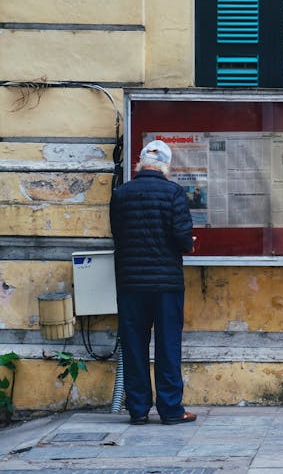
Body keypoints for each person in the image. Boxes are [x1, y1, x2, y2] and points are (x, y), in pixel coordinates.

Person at [109, 140, 197, 425]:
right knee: (167, 345)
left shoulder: (121, 194)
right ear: (166, 166)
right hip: (165, 284)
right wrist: (189, 244)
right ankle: (171, 409)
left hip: (130, 283)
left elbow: (118, 235)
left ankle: (137, 410)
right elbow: (182, 238)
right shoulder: (173, 192)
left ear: (140, 163)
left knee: (134, 345)